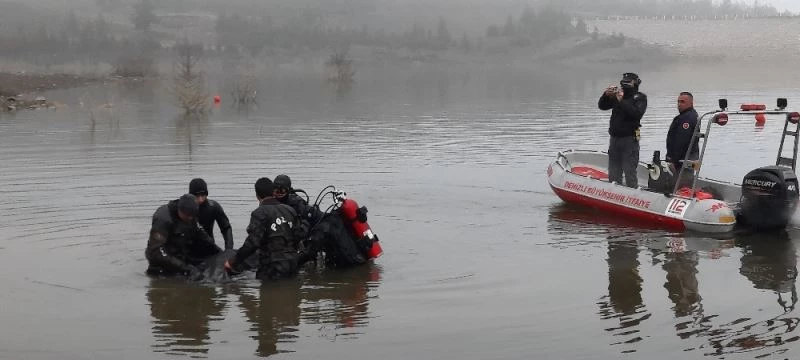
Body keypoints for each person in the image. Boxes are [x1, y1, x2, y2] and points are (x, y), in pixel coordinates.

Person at [225, 178, 305, 281]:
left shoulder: (259, 213)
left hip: (271, 268)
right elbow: (299, 237)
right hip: (292, 266)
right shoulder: (290, 210)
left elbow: (252, 243)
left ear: (257, 196)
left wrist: (233, 262)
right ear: (273, 192)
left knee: (269, 293)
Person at [145, 194, 222, 279]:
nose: (190, 218)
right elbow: (156, 251)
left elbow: (200, 234)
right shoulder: (163, 219)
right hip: (161, 262)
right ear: (179, 210)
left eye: (192, 216)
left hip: (180, 253)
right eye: (188, 216)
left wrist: (218, 251)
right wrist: (185, 268)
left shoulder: (191, 215)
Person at [598, 72, 648, 188]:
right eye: (623, 82)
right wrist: (606, 95)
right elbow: (602, 106)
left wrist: (622, 101)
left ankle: (633, 195)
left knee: (629, 169)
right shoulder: (619, 95)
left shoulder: (640, 98)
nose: (625, 85)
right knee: (614, 170)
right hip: (615, 139)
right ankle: (614, 194)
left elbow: (636, 114)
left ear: (635, 83)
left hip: (630, 139)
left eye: (628, 82)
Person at [189, 178, 234, 250]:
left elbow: (226, 228)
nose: (200, 199)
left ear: (206, 194)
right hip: (188, 249)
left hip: (208, 247)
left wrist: (228, 249)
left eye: (203, 195)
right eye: (197, 196)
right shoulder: (184, 207)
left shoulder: (213, 207)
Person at [665, 92, 699, 175]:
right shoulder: (690, 115)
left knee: (682, 182)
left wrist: (673, 160)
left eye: (682, 102)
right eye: (678, 101)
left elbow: (681, 141)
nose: (679, 104)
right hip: (690, 156)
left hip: (682, 160)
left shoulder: (687, 118)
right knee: (686, 180)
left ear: (691, 103)